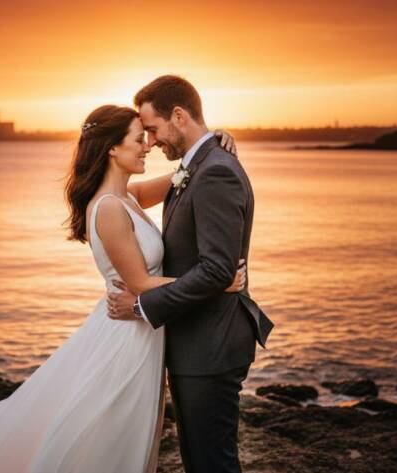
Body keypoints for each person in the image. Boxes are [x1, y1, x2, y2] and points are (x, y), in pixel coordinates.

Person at [0, 104, 244, 473]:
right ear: (112, 147)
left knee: (114, 432)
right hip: (127, 339)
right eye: (138, 138)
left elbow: (184, 177)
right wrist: (218, 283)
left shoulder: (126, 196)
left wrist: (210, 142)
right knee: (108, 435)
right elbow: (141, 284)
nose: (149, 145)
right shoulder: (108, 208)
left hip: (140, 330)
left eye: (148, 136)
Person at [106, 75, 274, 473]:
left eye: (153, 129)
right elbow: (213, 269)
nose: (151, 141)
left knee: (211, 464)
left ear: (178, 116)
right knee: (201, 461)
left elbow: (217, 269)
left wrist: (142, 305)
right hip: (195, 343)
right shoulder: (195, 167)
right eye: (142, 135)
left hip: (210, 346)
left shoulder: (214, 171)